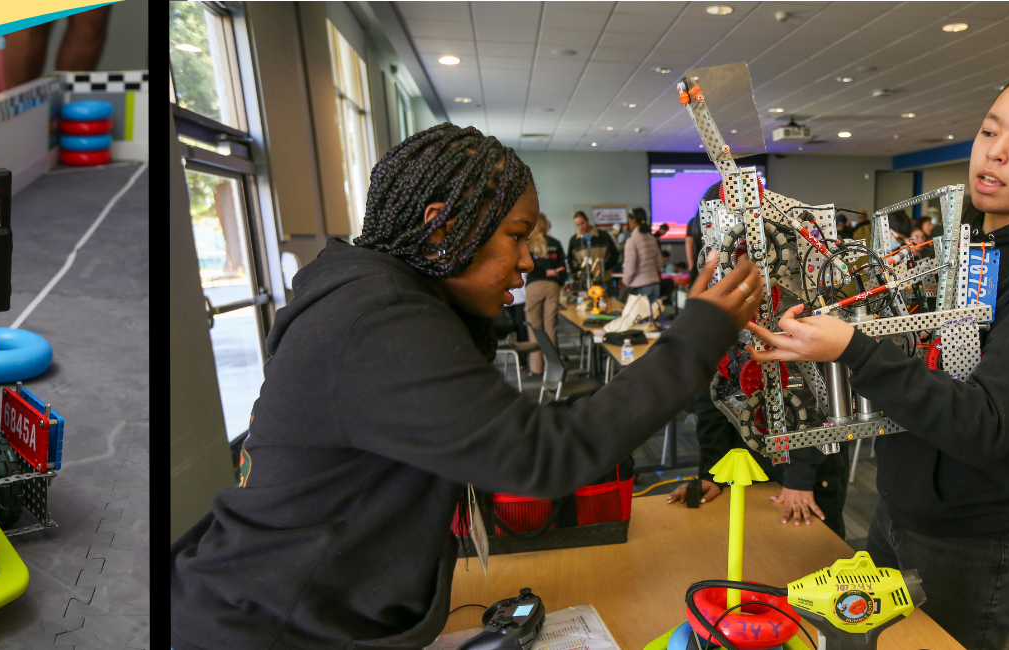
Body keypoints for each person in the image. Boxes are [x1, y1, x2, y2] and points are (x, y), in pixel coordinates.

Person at [169, 123, 767, 650]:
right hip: (272, 626)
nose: (528, 261)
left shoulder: (372, 296)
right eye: (516, 235)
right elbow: (542, 456)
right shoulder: (374, 320)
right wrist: (695, 339)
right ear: (440, 227)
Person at [741, 54, 1009, 650]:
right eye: (990, 130)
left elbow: (984, 424)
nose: (994, 152)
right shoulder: (970, 249)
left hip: (976, 528)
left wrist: (854, 349)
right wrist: (835, 328)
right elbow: (933, 366)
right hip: (903, 502)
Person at [525, 212, 567, 374]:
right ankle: (555, 367)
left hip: (533, 287)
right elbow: (563, 269)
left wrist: (544, 273)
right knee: (551, 326)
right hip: (553, 287)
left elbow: (529, 268)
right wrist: (556, 279)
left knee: (534, 327)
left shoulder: (528, 244)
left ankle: (536, 368)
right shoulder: (555, 243)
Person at [566, 211, 619, 292]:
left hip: (604, 278)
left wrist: (603, 267)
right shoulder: (574, 241)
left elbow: (614, 254)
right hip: (584, 281)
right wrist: (578, 271)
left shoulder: (603, 235)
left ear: (587, 220)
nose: (581, 226)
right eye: (578, 225)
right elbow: (571, 259)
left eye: (582, 223)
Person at [620, 208, 663, 304]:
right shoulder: (652, 239)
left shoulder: (632, 241)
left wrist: (625, 283)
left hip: (640, 288)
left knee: (637, 318)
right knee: (653, 317)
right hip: (655, 285)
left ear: (633, 220)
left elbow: (630, 268)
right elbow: (660, 264)